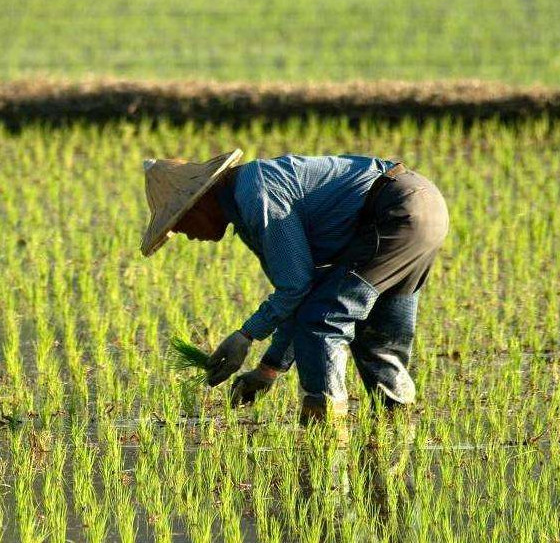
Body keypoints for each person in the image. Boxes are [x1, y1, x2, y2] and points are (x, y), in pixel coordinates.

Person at [140, 150, 449, 424]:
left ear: (198, 203)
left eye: (178, 223)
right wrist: (267, 371)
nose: (185, 234)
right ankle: (397, 429)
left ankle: (325, 435)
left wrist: (245, 335)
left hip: (396, 212)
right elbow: (300, 294)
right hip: (424, 206)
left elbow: (297, 289)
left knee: (324, 319)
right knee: (377, 340)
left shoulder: (257, 195)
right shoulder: (250, 199)